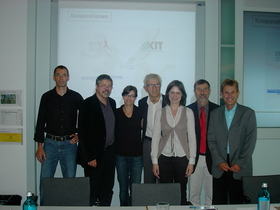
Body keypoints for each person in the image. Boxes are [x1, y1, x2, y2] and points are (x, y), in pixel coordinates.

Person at [34, 65, 83, 204]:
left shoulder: (76, 97)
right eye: (58, 75)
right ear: (53, 77)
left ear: (68, 77)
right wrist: (39, 147)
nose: (61, 78)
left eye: (64, 75)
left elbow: (86, 119)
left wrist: (79, 135)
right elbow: (40, 122)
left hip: (69, 145)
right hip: (49, 144)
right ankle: (43, 207)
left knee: (70, 183)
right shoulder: (47, 97)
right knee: (45, 182)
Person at [208, 79, 257, 204]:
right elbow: (211, 140)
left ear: (238, 93)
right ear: (221, 94)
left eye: (232, 92)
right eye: (226, 92)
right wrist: (219, 161)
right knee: (219, 202)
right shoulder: (214, 114)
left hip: (239, 165)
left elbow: (250, 142)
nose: (229, 96)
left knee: (239, 201)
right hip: (220, 166)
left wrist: (240, 162)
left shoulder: (248, 113)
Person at [151, 80, 196, 205]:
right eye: (172, 92)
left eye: (178, 93)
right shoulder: (160, 112)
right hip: (163, 158)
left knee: (181, 192)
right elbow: (155, 138)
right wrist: (155, 161)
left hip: (182, 158)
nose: (175, 96)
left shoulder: (188, 112)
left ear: (182, 95)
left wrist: (191, 161)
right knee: (165, 192)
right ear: (167, 94)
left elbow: (192, 138)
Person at [77, 74, 116, 206]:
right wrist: (90, 157)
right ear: (96, 86)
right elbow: (83, 133)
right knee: (93, 188)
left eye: (109, 85)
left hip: (109, 154)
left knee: (107, 187)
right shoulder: (87, 104)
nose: (107, 88)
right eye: (103, 85)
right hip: (93, 156)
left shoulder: (113, 103)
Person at [187, 79, 219, 205]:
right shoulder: (187, 110)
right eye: (199, 89)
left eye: (205, 89)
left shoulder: (218, 110)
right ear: (194, 92)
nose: (202, 92)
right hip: (194, 158)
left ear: (209, 91)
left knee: (211, 195)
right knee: (193, 195)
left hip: (213, 158)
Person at [115, 85, 143, 206]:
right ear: (123, 96)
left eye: (132, 96)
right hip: (120, 156)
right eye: (127, 95)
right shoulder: (115, 112)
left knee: (135, 188)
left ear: (136, 97)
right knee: (123, 189)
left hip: (137, 156)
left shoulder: (140, 112)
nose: (129, 98)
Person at [138, 73, 166, 183]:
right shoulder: (142, 103)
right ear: (145, 88)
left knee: (164, 175)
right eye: (150, 85)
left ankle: (163, 200)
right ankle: (149, 200)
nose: (154, 88)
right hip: (147, 143)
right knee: (149, 176)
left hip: (164, 143)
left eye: (157, 84)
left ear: (161, 85)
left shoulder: (168, 101)